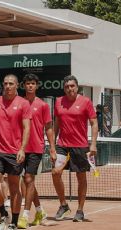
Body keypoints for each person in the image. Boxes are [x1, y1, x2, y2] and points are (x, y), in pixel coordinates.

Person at [0, 74, 31, 230]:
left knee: (14, 187)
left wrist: (22, 149)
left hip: (14, 152)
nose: (8, 86)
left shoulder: (23, 103)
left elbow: (26, 128)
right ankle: (4, 214)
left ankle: (14, 222)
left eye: (11, 83)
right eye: (5, 83)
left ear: (17, 85)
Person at [52, 75, 98, 222]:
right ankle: (63, 205)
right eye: (67, 86)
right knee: (55, 173)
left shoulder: (86, 102)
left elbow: (94, 123)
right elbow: (56, 124)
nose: (70, 88)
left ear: (77, 87)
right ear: (64, 88)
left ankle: (80, 210)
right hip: (62, 146)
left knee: (81, 178)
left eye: (72, 86)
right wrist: (52, 145)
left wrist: (93, 144)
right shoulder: (58, 102)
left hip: (80, 146)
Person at [17, 74, 56, 229]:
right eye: (27, 83)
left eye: (33, 83)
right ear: (24, 85)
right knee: (25, 182)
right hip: (19, 148)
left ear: (37, 85)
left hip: (36, 148)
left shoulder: (43, 105)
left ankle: (25, 216)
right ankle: (40, 211)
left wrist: (52, 147)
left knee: (28, 179)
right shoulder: (19, 103)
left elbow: (48, 127)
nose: (30, 86)